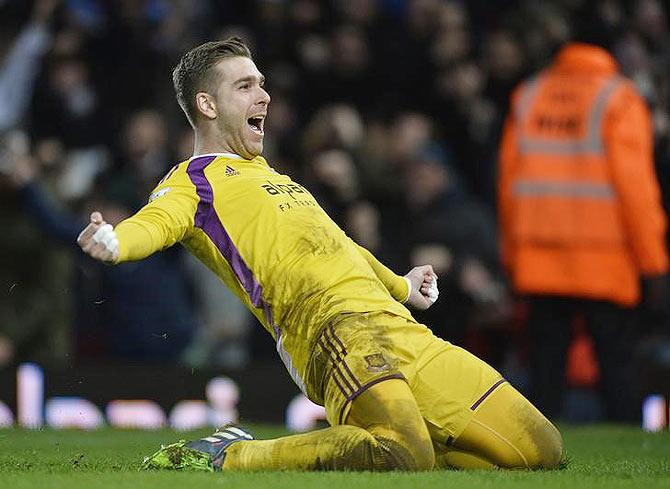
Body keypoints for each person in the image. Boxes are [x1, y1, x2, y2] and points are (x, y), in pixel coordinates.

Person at [78, 37, 562, 471]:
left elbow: (344, 247)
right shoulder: (192, 181)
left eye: (262, 85)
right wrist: (116, 242)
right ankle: (230, 455)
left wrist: (402, 286)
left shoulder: (280, 179)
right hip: (333, 331)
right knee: (401, 450)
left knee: (540, 450)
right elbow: (154, 223)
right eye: (245, 86)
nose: (264, 96)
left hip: (398, 326)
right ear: (206, 104)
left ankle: (399, 448)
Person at [498, 30, 669, 421]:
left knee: (545, 370)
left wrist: (510, 255)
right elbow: (636, 189)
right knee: (617, 368)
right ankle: (629, 454)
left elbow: (507, 186)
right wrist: (654, 263)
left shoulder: (529, 95)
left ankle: (536, 453)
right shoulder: (619, 97)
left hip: (539, 257)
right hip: (603, 259)